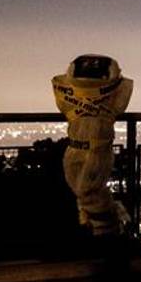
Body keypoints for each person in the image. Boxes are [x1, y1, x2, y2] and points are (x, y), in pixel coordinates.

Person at [51, 55, 134, 258]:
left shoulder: (67, 93)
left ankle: (107, 235)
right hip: (82, 149)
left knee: (87, 191)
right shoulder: (115, 92)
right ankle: (110, 234)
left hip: (91, 151)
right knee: (87, 192)